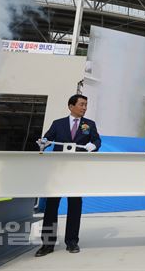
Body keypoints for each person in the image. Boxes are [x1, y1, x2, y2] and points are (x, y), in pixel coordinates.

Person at [35, 94, 101, 257]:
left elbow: (97, 140)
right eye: (81, 104)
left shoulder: (89, 124)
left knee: (75, 205)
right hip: (57, 171)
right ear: (71, 106)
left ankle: (72, 242)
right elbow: (47, 138)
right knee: (51, 206)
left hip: (77, 171)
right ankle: (47, 244)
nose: (84, 108)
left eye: (86, 104)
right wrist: (43, 142)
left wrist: (94, 145)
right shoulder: (58, 124)